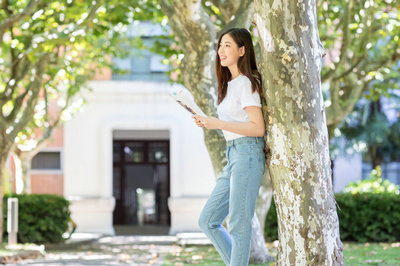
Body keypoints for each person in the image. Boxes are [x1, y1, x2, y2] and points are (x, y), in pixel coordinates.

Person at [193, 28, 266, 266]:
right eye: (220, 45)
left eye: (227, 45)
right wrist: (207, 122)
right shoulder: (230, 84)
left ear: (242, 50)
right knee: (208, 220)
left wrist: (218, 123)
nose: (220, 51)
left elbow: (258, 128)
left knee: (238, 223)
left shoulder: (246, 82)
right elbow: (233, 123)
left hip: (248, 152)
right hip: (233, 155)